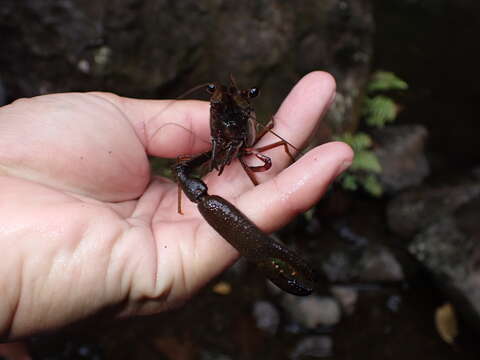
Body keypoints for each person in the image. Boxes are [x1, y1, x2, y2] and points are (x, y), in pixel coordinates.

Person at [0, 71, 352, 341]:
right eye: (218, 101)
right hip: (221, 160)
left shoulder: (251, 123)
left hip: (247, 151)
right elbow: (181, 166)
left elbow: (274, 140)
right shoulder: (214, 117)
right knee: (182, 165)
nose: (227, 107)